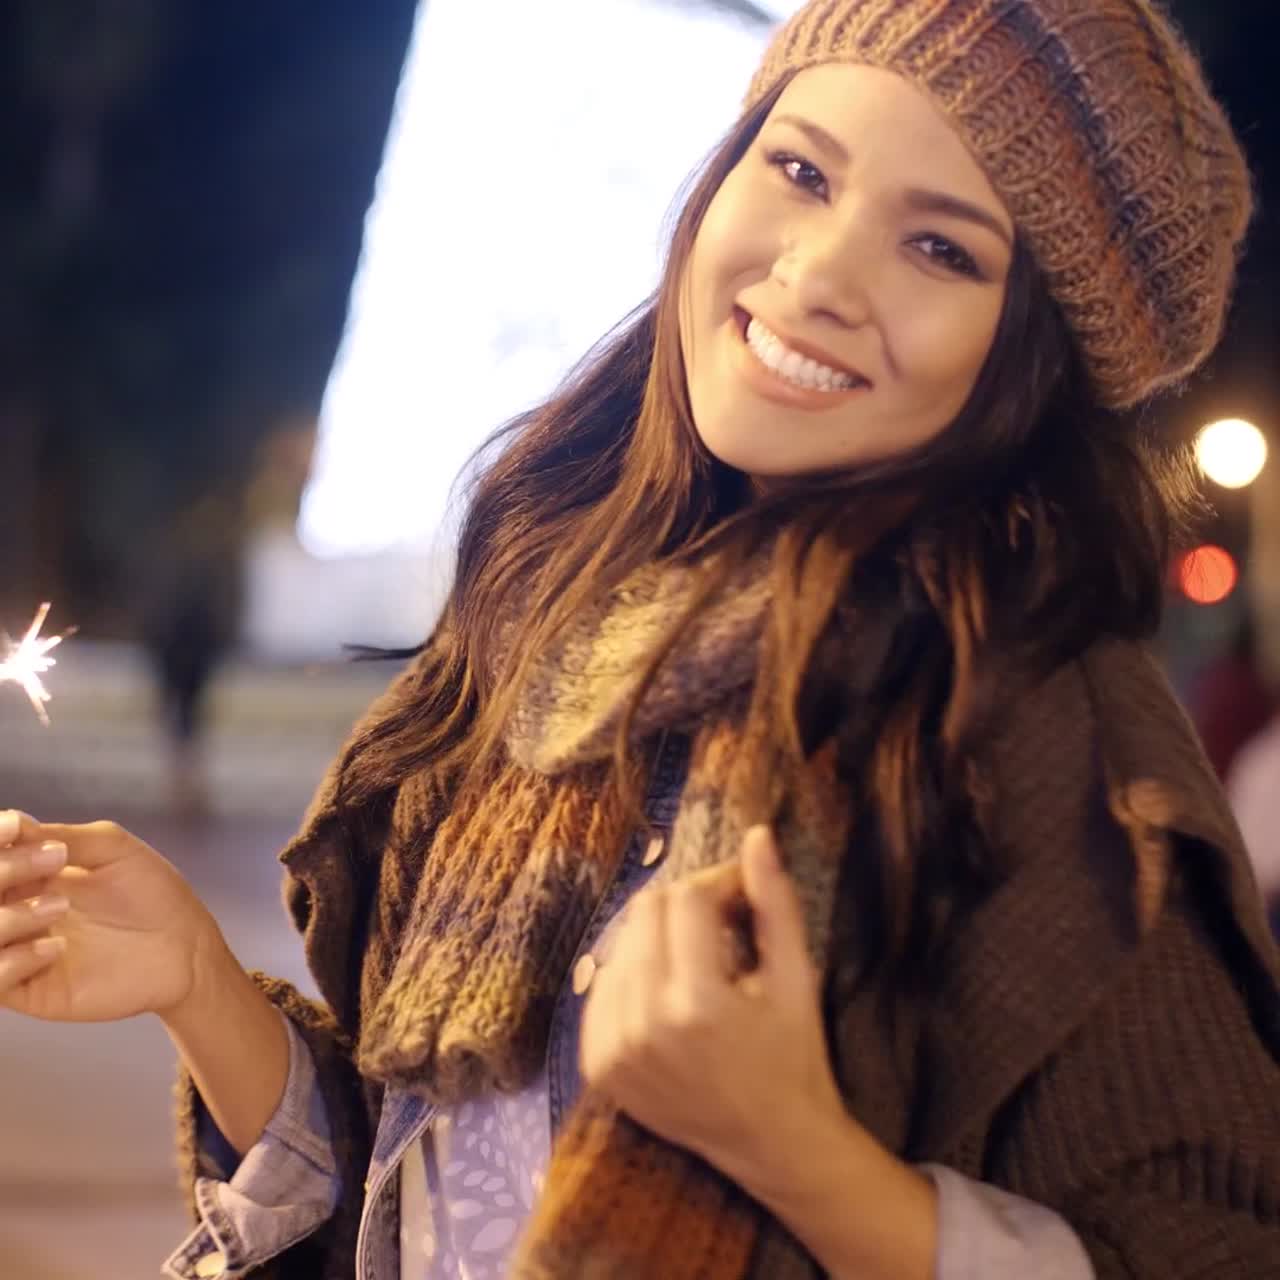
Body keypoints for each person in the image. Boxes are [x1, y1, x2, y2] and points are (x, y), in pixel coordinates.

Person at [3, 2, 1280, 1277]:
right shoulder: (568, 623)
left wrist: (798, 1155)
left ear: (1031, 363)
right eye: (799, 171)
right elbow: (445, 1189)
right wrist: (198, 982)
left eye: (940, 250)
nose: (820, 275)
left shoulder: (1048, 744)